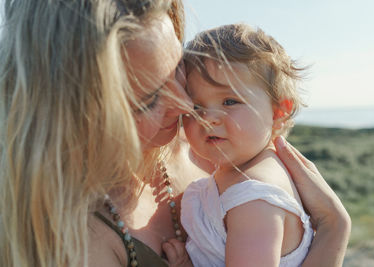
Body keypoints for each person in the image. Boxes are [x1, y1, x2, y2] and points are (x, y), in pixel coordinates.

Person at [0, 1, 350, 267]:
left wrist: (335, 226)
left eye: (177, 71)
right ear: (79, 116)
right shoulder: (78, 239)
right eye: (150, 98)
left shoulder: (212, 151)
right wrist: (332, 234)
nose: (187, 106)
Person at [165, 23, 310, 267]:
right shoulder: (239, 171)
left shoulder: (253, 200)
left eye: (230, 101)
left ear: (278, 112)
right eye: (195, 106)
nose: (207, 117)